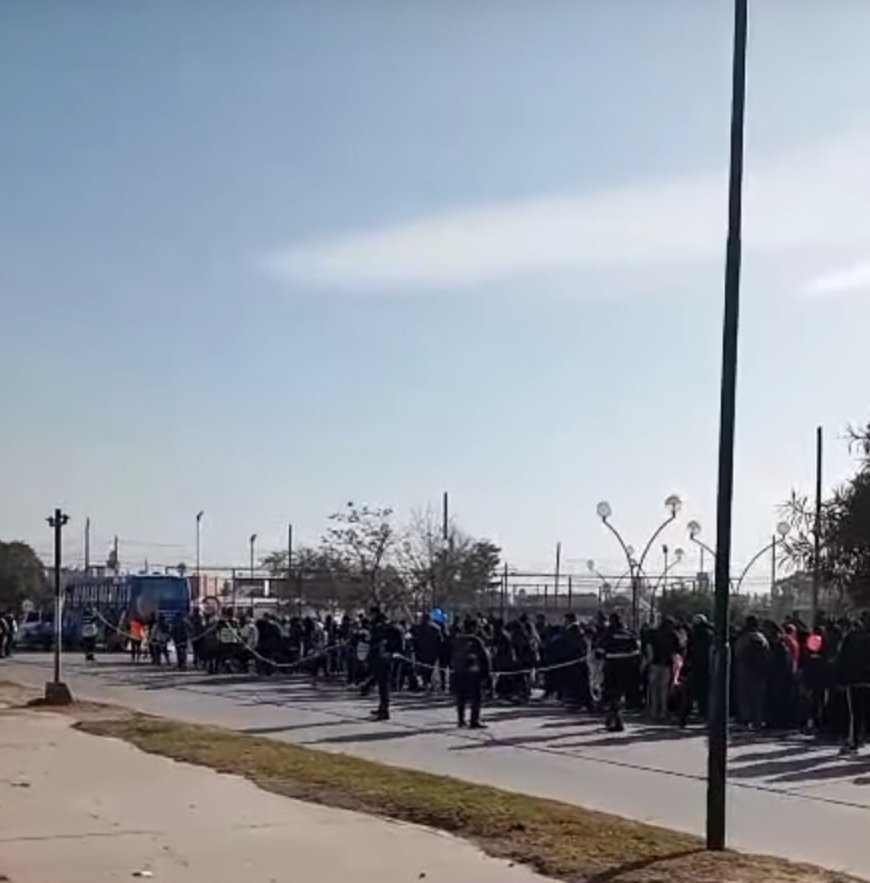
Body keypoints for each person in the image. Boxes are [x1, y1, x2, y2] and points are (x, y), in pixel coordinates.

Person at [602, 612, 641, 732]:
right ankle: (616, 720)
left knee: (611, 694)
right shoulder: (629, 635)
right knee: (620, 695)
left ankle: (614, 720)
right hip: (626, 669)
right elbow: (636, 652)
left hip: (611, 668)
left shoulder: (608, 634)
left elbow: (600, 650)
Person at [451, 617, 491, 729]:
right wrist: (487, 673)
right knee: (476, 698)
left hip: (459, 672)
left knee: (461, 697)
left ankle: (461, 720)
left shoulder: (457, 640)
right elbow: (484, 657)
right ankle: (474, 720)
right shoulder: (475, 640)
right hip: (474, 674)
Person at [734, 616, 770, 730]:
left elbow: (737, 653)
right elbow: (767, 653)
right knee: (758, 696)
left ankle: (746, 719)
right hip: (760, 671)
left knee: (744, 696)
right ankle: (757, 720)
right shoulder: (762, 638)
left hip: (745, 669)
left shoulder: (744, 638)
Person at [367, 609, 403, 721]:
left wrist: (395, 651)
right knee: (382, 685)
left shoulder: (383, 628)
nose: (370, 617)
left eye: (371, 614)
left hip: (384, 659)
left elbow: (374, 641)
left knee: (384, 686)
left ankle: (384, 711)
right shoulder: (381, 627)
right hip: (380, 659)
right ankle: (382, 708)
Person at [646, 616, 680, 722]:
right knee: (664, 690)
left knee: (653, 689)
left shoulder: (653, 634)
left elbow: (649, 648)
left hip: (654, 664)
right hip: (666, 665)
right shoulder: (673, 635)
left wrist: (648, 660)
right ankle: (663, 712)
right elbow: (676, 651)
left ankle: (653, 711)